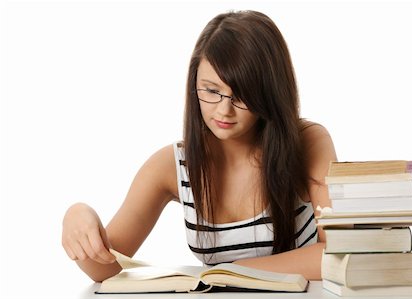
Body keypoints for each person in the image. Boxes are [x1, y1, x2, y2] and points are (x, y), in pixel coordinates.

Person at [62, 10, 337, 282]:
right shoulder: (171, 165)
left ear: (269, 92)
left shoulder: (308, 142)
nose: (224, 110)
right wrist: (78, 215)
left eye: (242, 95)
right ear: (194, 83)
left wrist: (233, 271)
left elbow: (336, 251)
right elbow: (105, 267)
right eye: (211, 90)